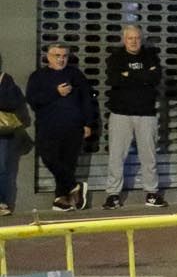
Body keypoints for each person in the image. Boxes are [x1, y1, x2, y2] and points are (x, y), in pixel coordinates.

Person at [101, 23, 167, 209]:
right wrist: (142, 76)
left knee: (149, 155)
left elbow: (155, 78)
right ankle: (113, 194)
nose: (134, 41)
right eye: (130, 38)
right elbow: (114, 79)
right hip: (120, 113)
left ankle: (152, 193)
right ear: (124, 39)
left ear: (141, 39)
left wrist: (129, 75)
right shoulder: (115, 58)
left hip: (146, 113)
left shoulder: (150, 56)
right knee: (116, 155)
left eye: (137, 38)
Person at [26, 43, 96, 211]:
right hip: (48, 125)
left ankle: (60, 199)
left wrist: (88, 123)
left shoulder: (75, 75)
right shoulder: (38, 76)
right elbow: (33, 100)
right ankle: (74, 186)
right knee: (49, 157)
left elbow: (87, 99)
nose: (61, 59)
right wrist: (56, 92)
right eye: (57, 55)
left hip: (73, 126)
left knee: (68, 162)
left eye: (64, 56)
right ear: (48, 57)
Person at [0, 52, 26, 218]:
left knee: (1, 168)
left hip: (1, 132)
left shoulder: (5, 79)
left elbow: (14, 103)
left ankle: (1, 202)